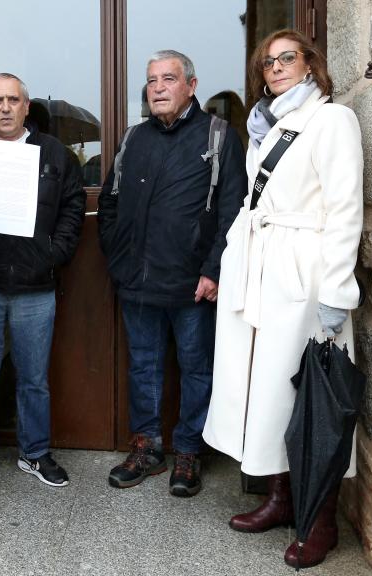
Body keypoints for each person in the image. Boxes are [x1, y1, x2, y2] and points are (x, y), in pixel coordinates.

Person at [202, 29, 364, 568]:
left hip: (304, 274)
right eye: (267, 62)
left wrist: (338, 290)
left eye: (286, 58)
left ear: (311, 65)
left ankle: (319, 520)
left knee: (309, 395)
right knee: (266, 389)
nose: (275, 68)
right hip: (261, 270)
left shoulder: (331, 120)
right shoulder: (266, 126)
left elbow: (345, 211)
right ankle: (280, 496)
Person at [97, 50, 247, 497]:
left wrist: (212, 270)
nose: (158, 88)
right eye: (151, 81)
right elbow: (108, 204)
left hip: (192, 286)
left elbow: (232, 212)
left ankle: (188, 451)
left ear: (191, 86)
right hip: (137, 283)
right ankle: (147, 447)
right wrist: (118, 259)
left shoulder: (219, 136)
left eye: (168, 79)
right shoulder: (133, 138)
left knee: (196, 369)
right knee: (143, 367)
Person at [0, 73, 85, 490]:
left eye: (13, 100)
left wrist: (54, 253)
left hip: (35, 285)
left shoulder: (55, 154)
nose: (5, 108)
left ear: (27, 107)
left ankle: (36, 452)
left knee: (33, 377)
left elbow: (73, 206)